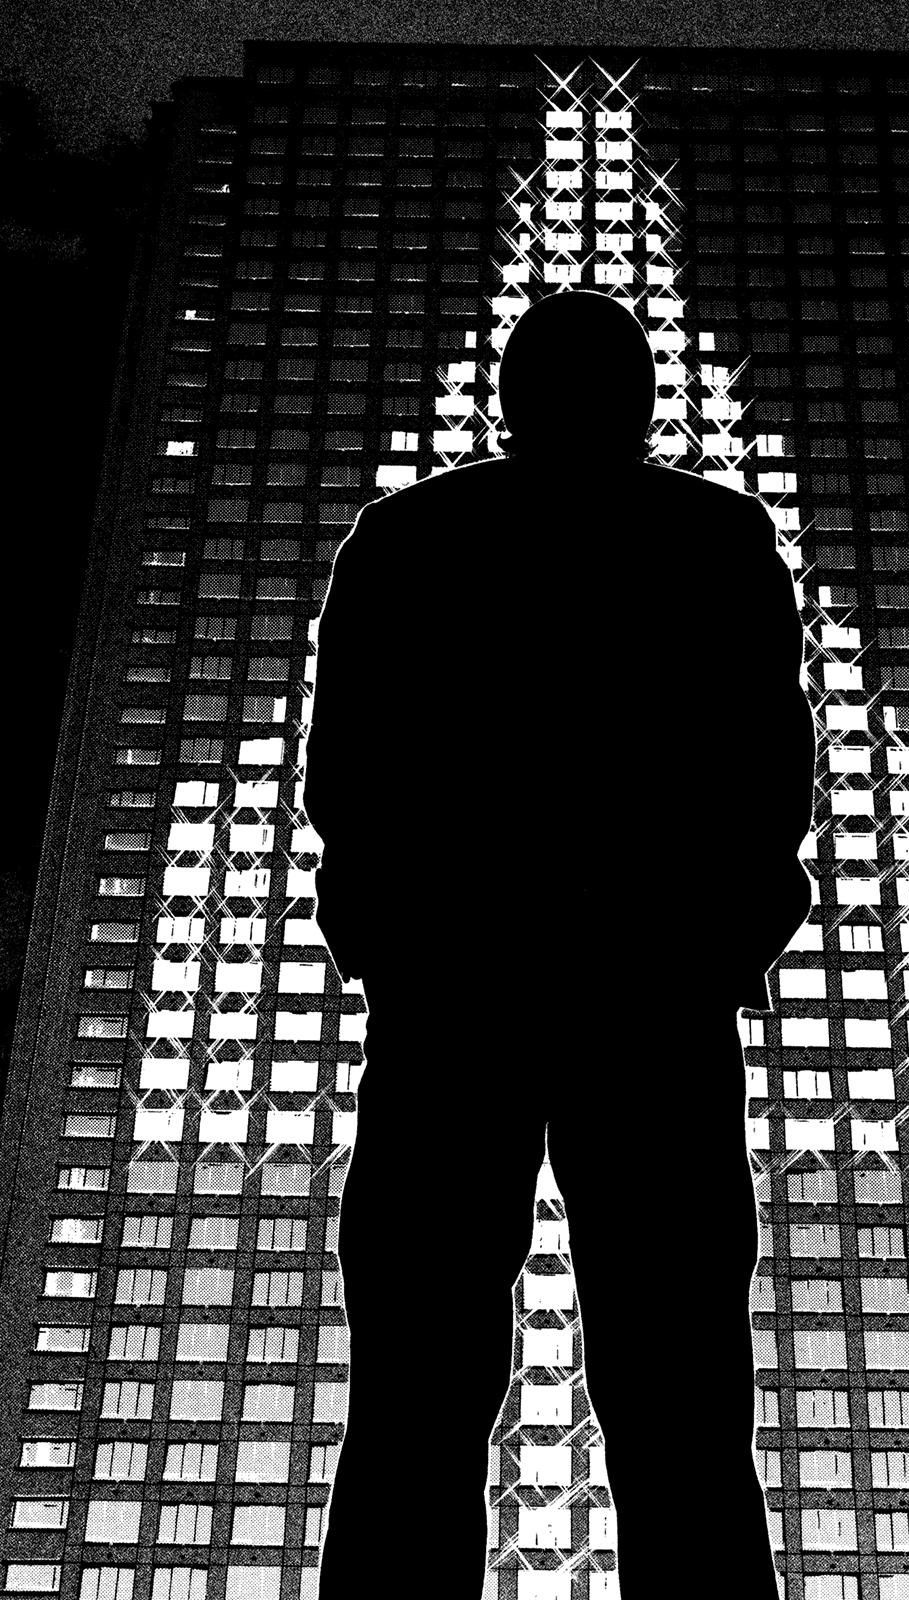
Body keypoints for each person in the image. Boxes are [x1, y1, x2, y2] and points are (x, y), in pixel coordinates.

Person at [304, 290, 815, 1600]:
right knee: (680, 1401)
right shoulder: (714, 539)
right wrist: (716, 946)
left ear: (509, 396)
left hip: (458, 1002)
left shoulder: (407, 539)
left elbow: (346, 776)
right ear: (641, 401)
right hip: (646, 1003)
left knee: (416, 1394)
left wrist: (395, 943)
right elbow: (771, 777)